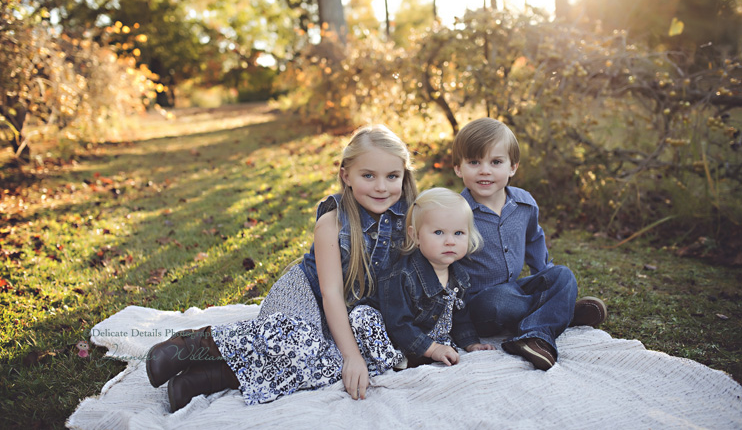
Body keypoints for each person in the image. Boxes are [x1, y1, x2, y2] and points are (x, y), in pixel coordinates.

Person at [145, 124, 419, 411]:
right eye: (368, 175)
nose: (381, 186)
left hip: (349, 314)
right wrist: (351, 355)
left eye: (392, 176)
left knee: (357, 359)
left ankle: (209, 378)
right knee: (297, 342)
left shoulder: (410, 220)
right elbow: (331, 294)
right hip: (307, 297)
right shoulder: (333, 222)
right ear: (345, 175)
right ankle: (196, 344)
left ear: (404, 175)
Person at [451, 117, 607, 371]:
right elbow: (445, 268)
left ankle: (536, 334)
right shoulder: (457, 212)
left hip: (514, 290)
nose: (485, 170)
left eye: (496, 162)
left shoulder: (524, 204)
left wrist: (547, 279)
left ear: (512, 167)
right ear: (458, 168)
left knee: (562, 276)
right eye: (474, 162)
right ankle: (559, 312)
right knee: (499, 301)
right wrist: (465, 334)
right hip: (481, 304)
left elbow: (534, 238)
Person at [378, 187, 495, 368]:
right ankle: (397, 359)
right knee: (363, 318)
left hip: (434, 336)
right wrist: (432, 349)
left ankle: (421, 355)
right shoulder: (402, 277)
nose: (450, 241)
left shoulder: (460, 277)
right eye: (439, 232)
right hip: (398, 337)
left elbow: (460, 317)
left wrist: (471, 342)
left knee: (449, 344)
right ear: (415, 235)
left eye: (458, 233)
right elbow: (398, 325)